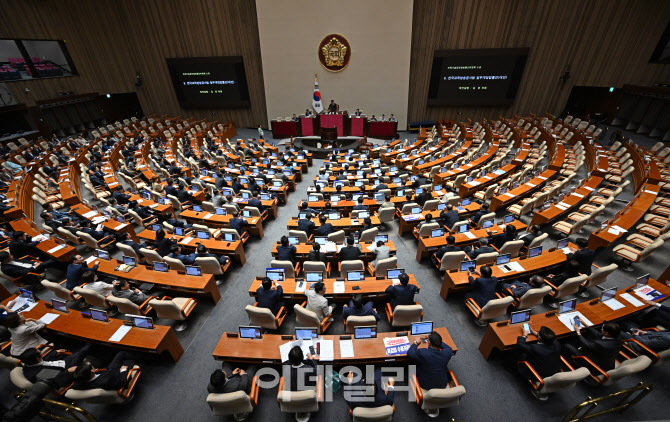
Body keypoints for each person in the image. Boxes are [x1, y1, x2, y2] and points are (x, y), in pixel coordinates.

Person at [18, 344, 92, 386]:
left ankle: (90, 345)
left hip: (60, 363)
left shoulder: (30, 362)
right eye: (40, 353)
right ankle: (92, 344)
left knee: (79, 353)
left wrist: (55, 352)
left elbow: (44, 360)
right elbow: (59, 379)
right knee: (81, 352)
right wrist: (69, 371)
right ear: (37, 359)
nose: (41, 352)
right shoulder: (40, 373)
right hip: (66, 371)